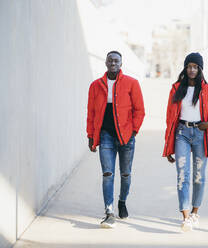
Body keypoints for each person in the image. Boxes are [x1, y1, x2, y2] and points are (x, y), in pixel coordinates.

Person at [163, 52, 208, 232]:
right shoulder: (176, 89)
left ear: (200, 69)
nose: (192, 70)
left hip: (201, 134)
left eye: (195, 67)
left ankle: (195, 212)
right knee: (182, 174)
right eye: (189, 66)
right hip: (181, 133)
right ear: (185, 68)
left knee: (198, 176)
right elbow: (169, 118)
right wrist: (168, 146)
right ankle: (185, 217)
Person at [87, 51, 145, 228]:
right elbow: (91, 113)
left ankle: (122, 202)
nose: (113, 63)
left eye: (116, 61)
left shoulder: (132, 83)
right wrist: (90, 135)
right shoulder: (96, 85)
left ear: (121, 63)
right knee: (107, 174)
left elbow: (139, 110)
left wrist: (133, 131)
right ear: (105, 62)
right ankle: (109, 212)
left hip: (126, 136)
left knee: (125, 174)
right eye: (110, 60)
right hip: (105, 135)